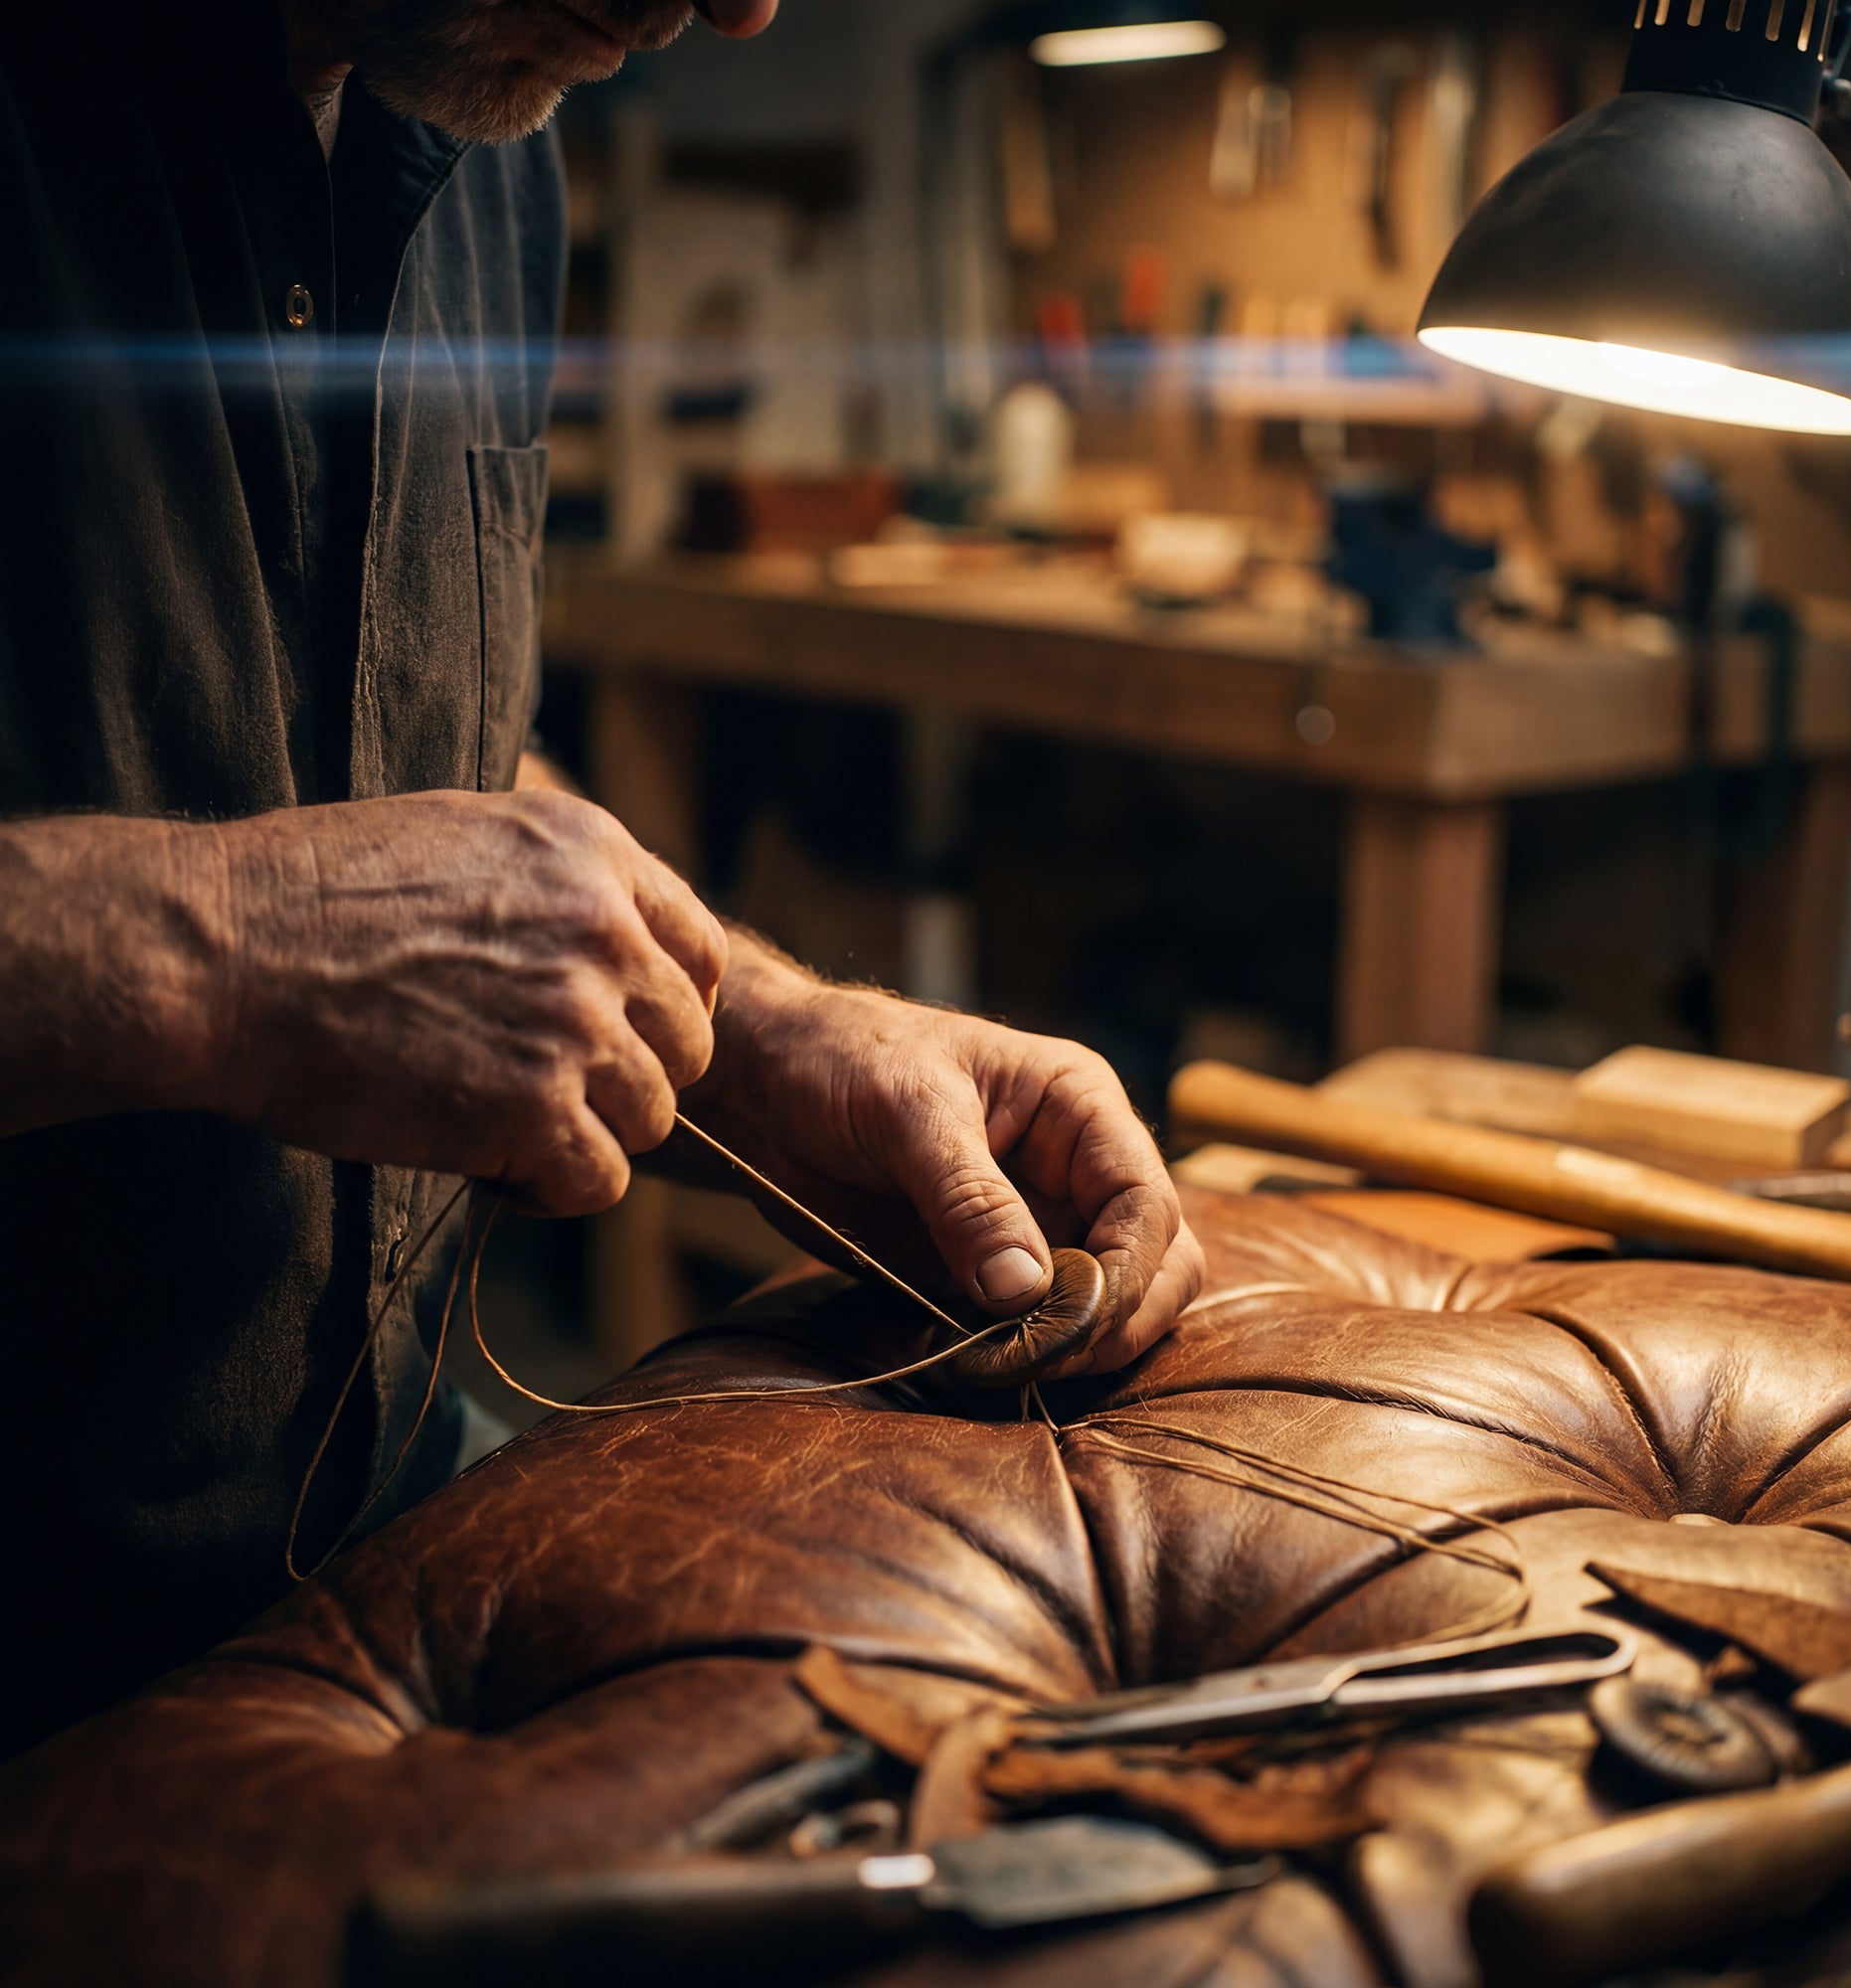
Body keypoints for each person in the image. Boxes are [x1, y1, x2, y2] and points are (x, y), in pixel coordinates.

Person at [0, 0, 1202, 1756]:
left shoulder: (486, 119)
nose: (744, 9)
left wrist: (764, 1032)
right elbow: (293, 881)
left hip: (373, 1539)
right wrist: (215, 953)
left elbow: (418, 749)